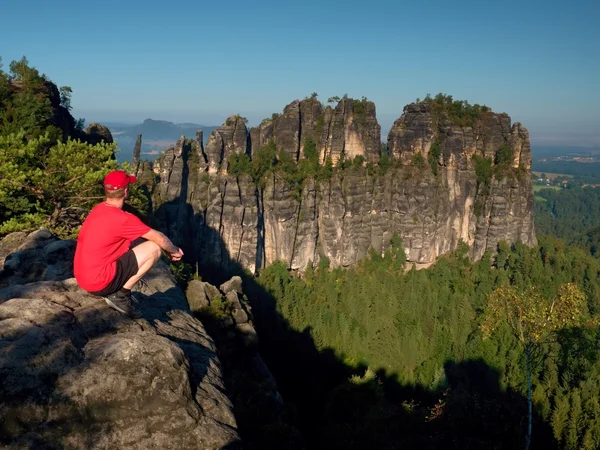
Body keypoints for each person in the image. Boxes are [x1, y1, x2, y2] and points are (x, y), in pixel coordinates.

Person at [74, 170, 183, 317]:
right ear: (125, 191)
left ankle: (114, 290)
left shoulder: (98, 208)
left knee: (137, 240)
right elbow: (160, 238)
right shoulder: (123, 219)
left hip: (83, 278)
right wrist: (174, 251)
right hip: (99, 282)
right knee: (154, 248)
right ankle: (120, 296)